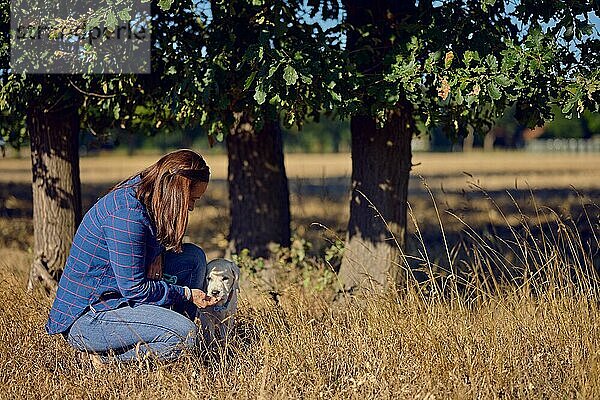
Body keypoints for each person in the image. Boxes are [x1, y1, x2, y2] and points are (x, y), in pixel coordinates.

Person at [46, 149, 218, 363]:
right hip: (93, 316)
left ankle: (165, 328)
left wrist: (156, 252)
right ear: (176, 191)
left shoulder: (147, 191)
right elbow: (135, 289)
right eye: (191, 199)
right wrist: (185, 294)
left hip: (118, 296)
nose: (191, 207)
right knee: (186, 335)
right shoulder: (127, 216)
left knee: (192, 258)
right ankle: (102, 359)